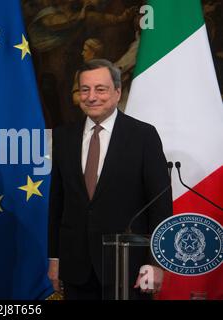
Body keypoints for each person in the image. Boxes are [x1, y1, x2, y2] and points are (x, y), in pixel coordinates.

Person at [48, 59, 172, 300]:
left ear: (117, 93)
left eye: (100, 89)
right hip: (76, 271)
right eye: (85, 89)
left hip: (129, 269)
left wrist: (156, 262)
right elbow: (57, 204)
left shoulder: (143, 136)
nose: (91, 96)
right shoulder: (64, 137)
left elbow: (160, 205)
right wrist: (55, 259)